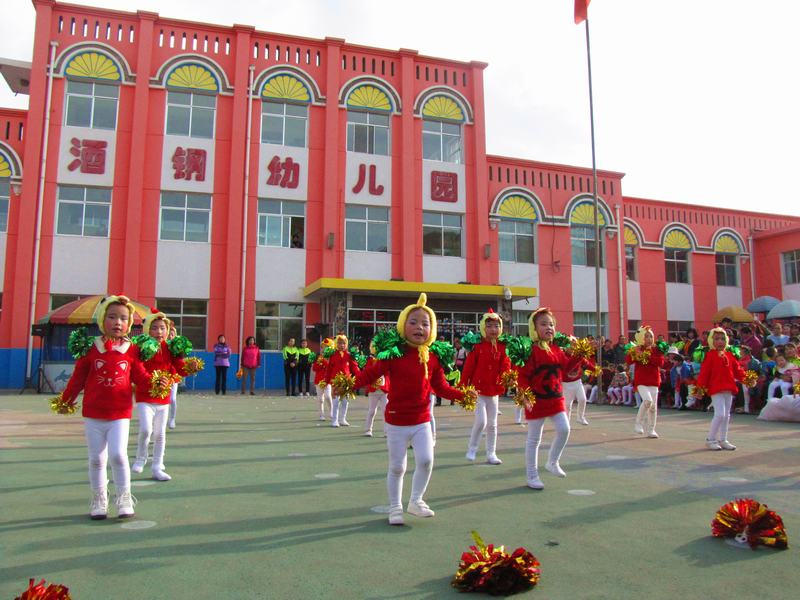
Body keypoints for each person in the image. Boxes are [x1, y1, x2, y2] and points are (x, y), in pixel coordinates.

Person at [343, 293, 472, 525]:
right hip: (396, 421)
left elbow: (440, 387)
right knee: (397, 467)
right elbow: (370, 374)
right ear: (403, 325)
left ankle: (416, 500)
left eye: (425, 323)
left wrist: (462, 395)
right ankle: (395, 507)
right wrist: (347, 386)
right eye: (413, 322)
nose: (419, 327)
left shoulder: (432, 357)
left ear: (432, 329)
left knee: (426, 460)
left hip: (422, 420)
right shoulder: (394, 353)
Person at [60, 295, 154, 519]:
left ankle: (124, 498)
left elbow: (141, 376)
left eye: (123, 318)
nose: (118, 322)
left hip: (120, 413)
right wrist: (66, 399)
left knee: (119, 455)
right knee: (96, 459)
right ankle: (99, 500)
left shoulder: (132, 350)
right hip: (93, 413)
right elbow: (78, 378)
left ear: (129, 323)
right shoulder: (91, 348)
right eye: (112, 317)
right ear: (103, 320)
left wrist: (157, 384)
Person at [516, 307, 583, 490]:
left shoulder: (556, 349)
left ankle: (552, 461)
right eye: (543, 324)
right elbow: (522, 376)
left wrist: (579, 353)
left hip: (556, 398)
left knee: (564, 429)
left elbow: (567, 368)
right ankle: (532, 475)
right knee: (534, 439)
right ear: (534, 328)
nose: (549, 327)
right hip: (536, 400)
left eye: (551, 324)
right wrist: (525, 395)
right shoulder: (530, 351)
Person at [132, 310, 191, 482]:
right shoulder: (142, 348)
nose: (159, 332)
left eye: (162, 328)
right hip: (145, 396)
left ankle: (157, 466)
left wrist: (190, 366)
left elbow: (180, 368)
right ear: (147, 330)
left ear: (168, 330)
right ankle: (140, 458)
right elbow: (137, 370)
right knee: (146, 429)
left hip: (163, 398)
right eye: (155, 328)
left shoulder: (171, 348)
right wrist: (152, 381)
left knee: (160, 434)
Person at [462, 309, 512, 464]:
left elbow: (505, 366)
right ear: (483, 328)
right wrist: (463, 386)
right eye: (489, 326)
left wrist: (508, 378)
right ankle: (472, 449)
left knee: (493, 424)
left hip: (493, 391)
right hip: (477, 391)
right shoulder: (477, 347)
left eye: (497, 326)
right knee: (481, 421)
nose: (493, 329)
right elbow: (468, 368)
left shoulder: (502, 347)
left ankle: (491, 453)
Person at [696, 327, 747, 450]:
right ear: (711, 341)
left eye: (723, 339)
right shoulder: (709, 356)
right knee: (719, 414)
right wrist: (700, 389)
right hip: (716, 389)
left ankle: (723, 439)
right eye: (717, 339)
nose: (720, 341)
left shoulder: (730, 355)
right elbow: (704, 374)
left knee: (726, 416)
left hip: (728, 389)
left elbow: (738, 370)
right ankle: (710, 439)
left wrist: (748, 379)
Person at [625, 325, 665, 438]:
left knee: (653, 407)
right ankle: (638, 424)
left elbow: (661, 362)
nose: (649, 339)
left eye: (651, 336)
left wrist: (647, 357)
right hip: (641, 381)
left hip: (654, 381)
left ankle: (651, 429)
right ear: (641, 338)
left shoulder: (657, 349)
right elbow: (628, 360)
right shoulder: (637, 349)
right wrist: (634, 352)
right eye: (646, 336)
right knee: (647, 401)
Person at [325, 334, 360, 427]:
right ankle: (334, 420)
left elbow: (355, 367)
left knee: (345, 401)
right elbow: (329, 369)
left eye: (344, 343)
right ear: (336, 344)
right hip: (336, 381)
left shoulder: (349, 355)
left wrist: (360, 376)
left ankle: (342, 419)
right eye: (340, 343)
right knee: (336, 401)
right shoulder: (333, 355)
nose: (342, 345)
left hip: (347, 381)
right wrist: (327, 381)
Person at [363, 342, 389, 437]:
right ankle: (368, 430)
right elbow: (367, 373)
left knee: (385, 411)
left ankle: (387, 431)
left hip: (384, 390)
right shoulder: (370, 360)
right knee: (371, 411)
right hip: (373, 390)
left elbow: (388, 373)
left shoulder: (386, 359)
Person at [312, 337, 334, 420]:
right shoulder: (318, 358)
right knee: (320, 399)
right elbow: (314, 368)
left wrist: (324, 362)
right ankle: (321, 415)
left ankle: (332, 412)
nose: (323, 349)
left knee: (328, 396)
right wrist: (320, 363)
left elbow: (330, 367)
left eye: (326, 347)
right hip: (318, 381)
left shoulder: (332, 358)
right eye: (322, 347)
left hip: (327, 381)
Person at [167, 326, 179, 429]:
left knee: (172, 399)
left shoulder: (177, 347)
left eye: (172, 334)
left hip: (174, 376)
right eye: (169, 334)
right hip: (162, 376)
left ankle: (172, 419)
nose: (170, 336)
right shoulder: (162, 346)